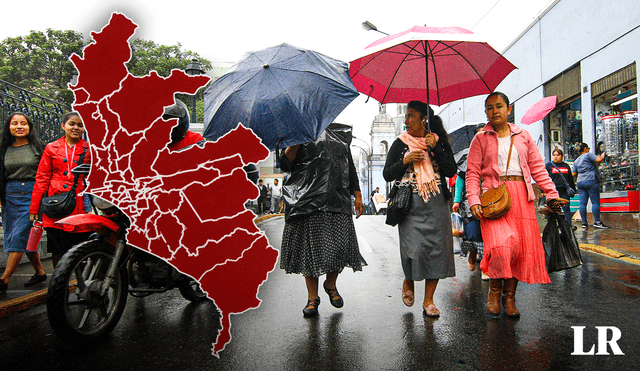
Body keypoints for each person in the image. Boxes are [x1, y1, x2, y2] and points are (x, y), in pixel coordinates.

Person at [467, 92, 564, 317]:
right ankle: (494, 291)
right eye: (489, 108)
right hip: (493, 198)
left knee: (518, 250)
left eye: (499, 106)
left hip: (522, 196)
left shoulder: (523, 136)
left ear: (509, 109)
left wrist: (551, 193)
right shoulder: (480, 138)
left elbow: (538, 168)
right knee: (501, 247)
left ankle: (510, 298)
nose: (494, 111)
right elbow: (472, 172)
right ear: (486, 112)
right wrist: (473, 199)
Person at [279, 123, 366, 318]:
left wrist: (357, 194)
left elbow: (349, 165)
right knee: (309, 251)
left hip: (337, 199)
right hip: (305, 202)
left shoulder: (340, 133)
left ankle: (331, 284)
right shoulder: (296, 130)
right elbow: (285, 165)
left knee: (339, 247)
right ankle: (313, 298)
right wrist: (295, 143)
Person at [383, 100, 457, 317]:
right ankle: (409, 278)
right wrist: (405, 160)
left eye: (411, 116)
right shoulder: (400, 143)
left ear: (424, 119)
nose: (406, 121)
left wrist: (436, 147)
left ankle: (429, 300)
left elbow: (451, 170)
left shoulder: (437, 141)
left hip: (436, 205)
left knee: (436, 251)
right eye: (406, 116)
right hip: (410, 206)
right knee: (413, 250)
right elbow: (387, 174)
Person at [30, 112, 92, 268]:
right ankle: (58, 284)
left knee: (79, 247)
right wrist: (34, 208)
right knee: (57, 249)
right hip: (55, 206)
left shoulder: (89, 149)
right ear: (63, 126)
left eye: (80, 125)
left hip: (78, 205)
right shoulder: (51, 148)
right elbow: (42, 178)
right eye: (72, 124)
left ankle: (79, 282)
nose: (76, 128)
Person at [0, 112, 47, 293]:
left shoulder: (39, 148)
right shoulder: (3, 149)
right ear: (9, 127)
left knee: (18, 236)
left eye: (23, 123)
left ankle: (4, 279)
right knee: (22, 236)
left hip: (32, 194)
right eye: (14, 123)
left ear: (29, 127)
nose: (19, 126)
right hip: (10, 196)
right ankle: (40, 272)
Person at [572, 143, 607, 229]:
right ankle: (597, 222)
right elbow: (598, 160)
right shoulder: (588, 155)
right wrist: (602, 156)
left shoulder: (576, 161)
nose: (588, 149)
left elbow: (574, 173)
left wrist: (581, 176)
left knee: (582, 204)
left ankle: (584, 223)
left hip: (580, 182)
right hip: (591, 180)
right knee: (595, 202)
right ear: (585, 149)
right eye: (588, 148)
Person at [545, 148, 577, 226]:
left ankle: (569, 226)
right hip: (552, 191)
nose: (555, 157)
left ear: (562, 156)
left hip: (564, 191)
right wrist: (543, 191)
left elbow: (570, 179)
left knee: (566, 208)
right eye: (554, 155)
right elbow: (544, 178)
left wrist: (573, 190)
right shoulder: (549, 166)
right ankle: (551, 226)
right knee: (552, 209)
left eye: (558, 155)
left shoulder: (566, 166)